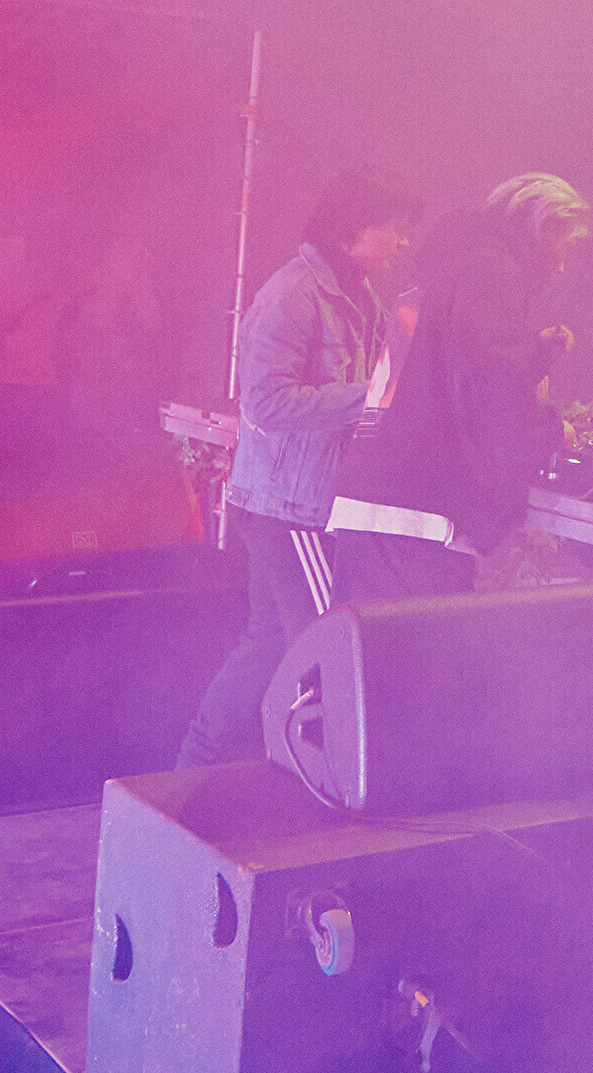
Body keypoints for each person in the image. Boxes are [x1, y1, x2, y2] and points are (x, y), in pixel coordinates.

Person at [174, 166, 420, 766]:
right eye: (393, 226)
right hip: (287, 507)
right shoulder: (292, 295)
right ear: (353, 228)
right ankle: (314, 775)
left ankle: (196, 763)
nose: (402, 239)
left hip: (297, 501)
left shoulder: (361, 297)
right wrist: (366, 398)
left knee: (267, 644)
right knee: (323, 647)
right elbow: (265, 402)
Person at [324, 173, 587, 601]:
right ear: (544, 228)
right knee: (420, 645)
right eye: (567, 244)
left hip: (374, 499)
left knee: (360, 643)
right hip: (418, 518)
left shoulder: (449, 266)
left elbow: (450, 366)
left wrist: (534, 352)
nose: (564, 263)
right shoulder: (491, 272)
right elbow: (491, 383)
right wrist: (549, 431)